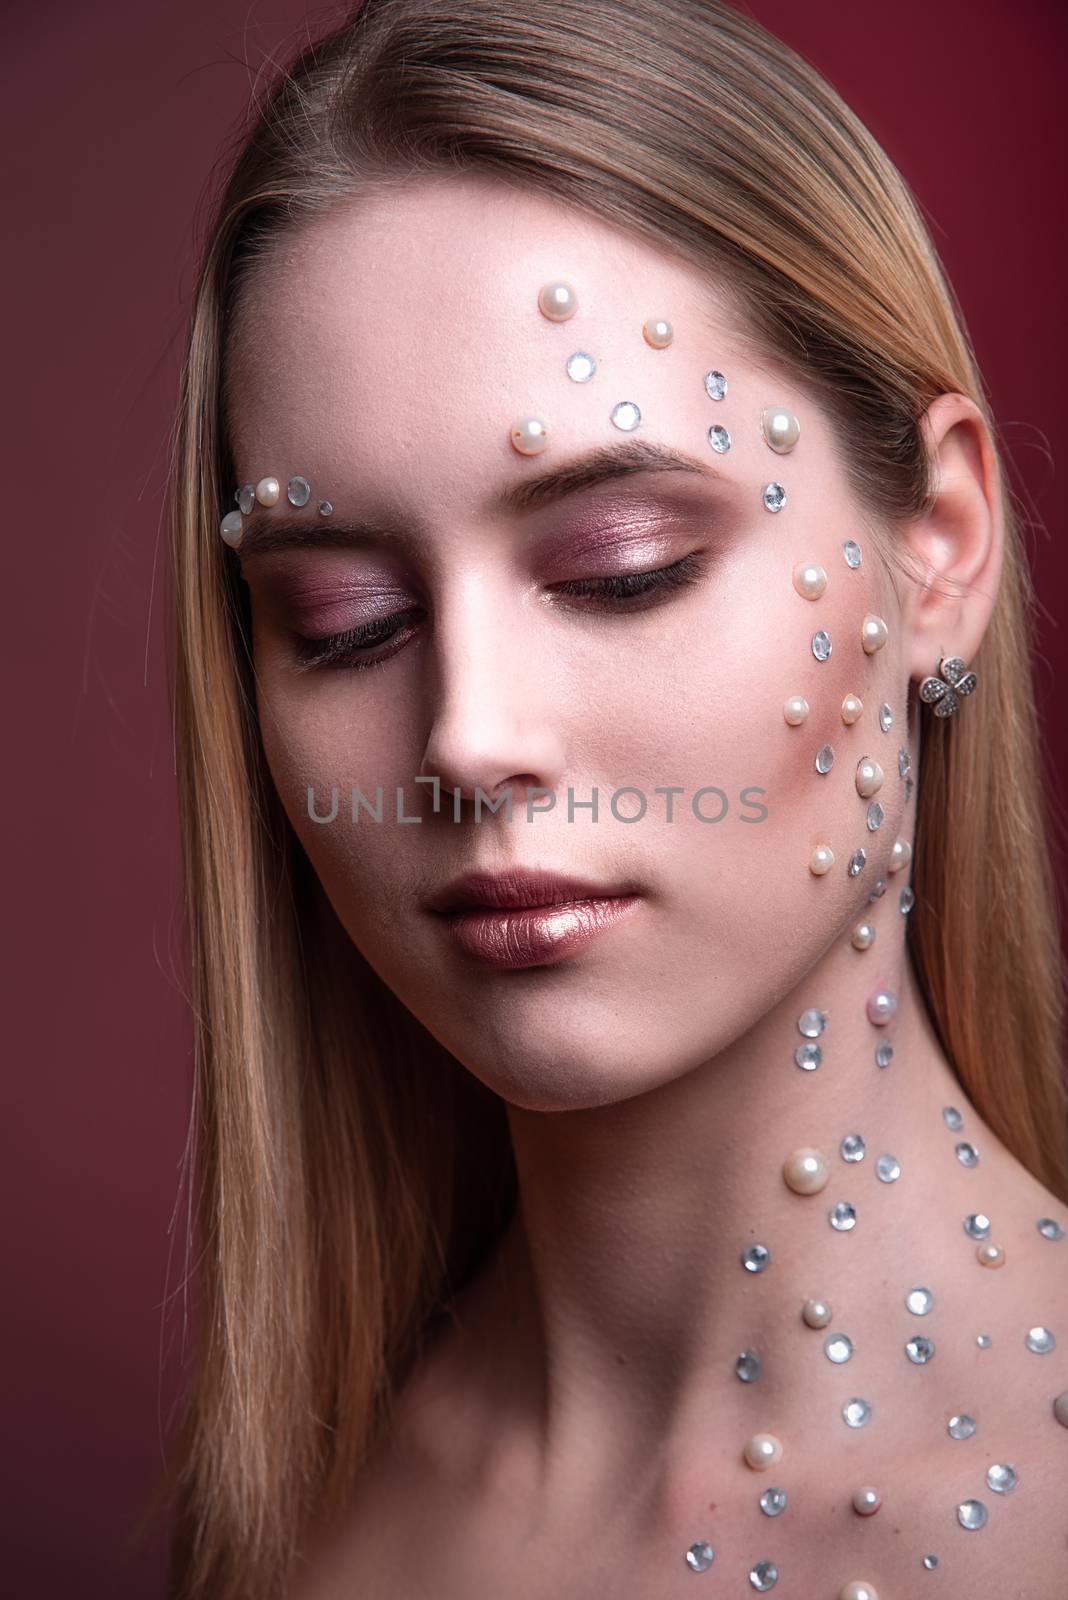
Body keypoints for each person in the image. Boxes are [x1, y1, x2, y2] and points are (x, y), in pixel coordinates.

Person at [159, 2, 1068, 1596]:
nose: (469, 736)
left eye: (619, 573)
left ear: (939, 546)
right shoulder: (290, 1498)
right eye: (345, 622)